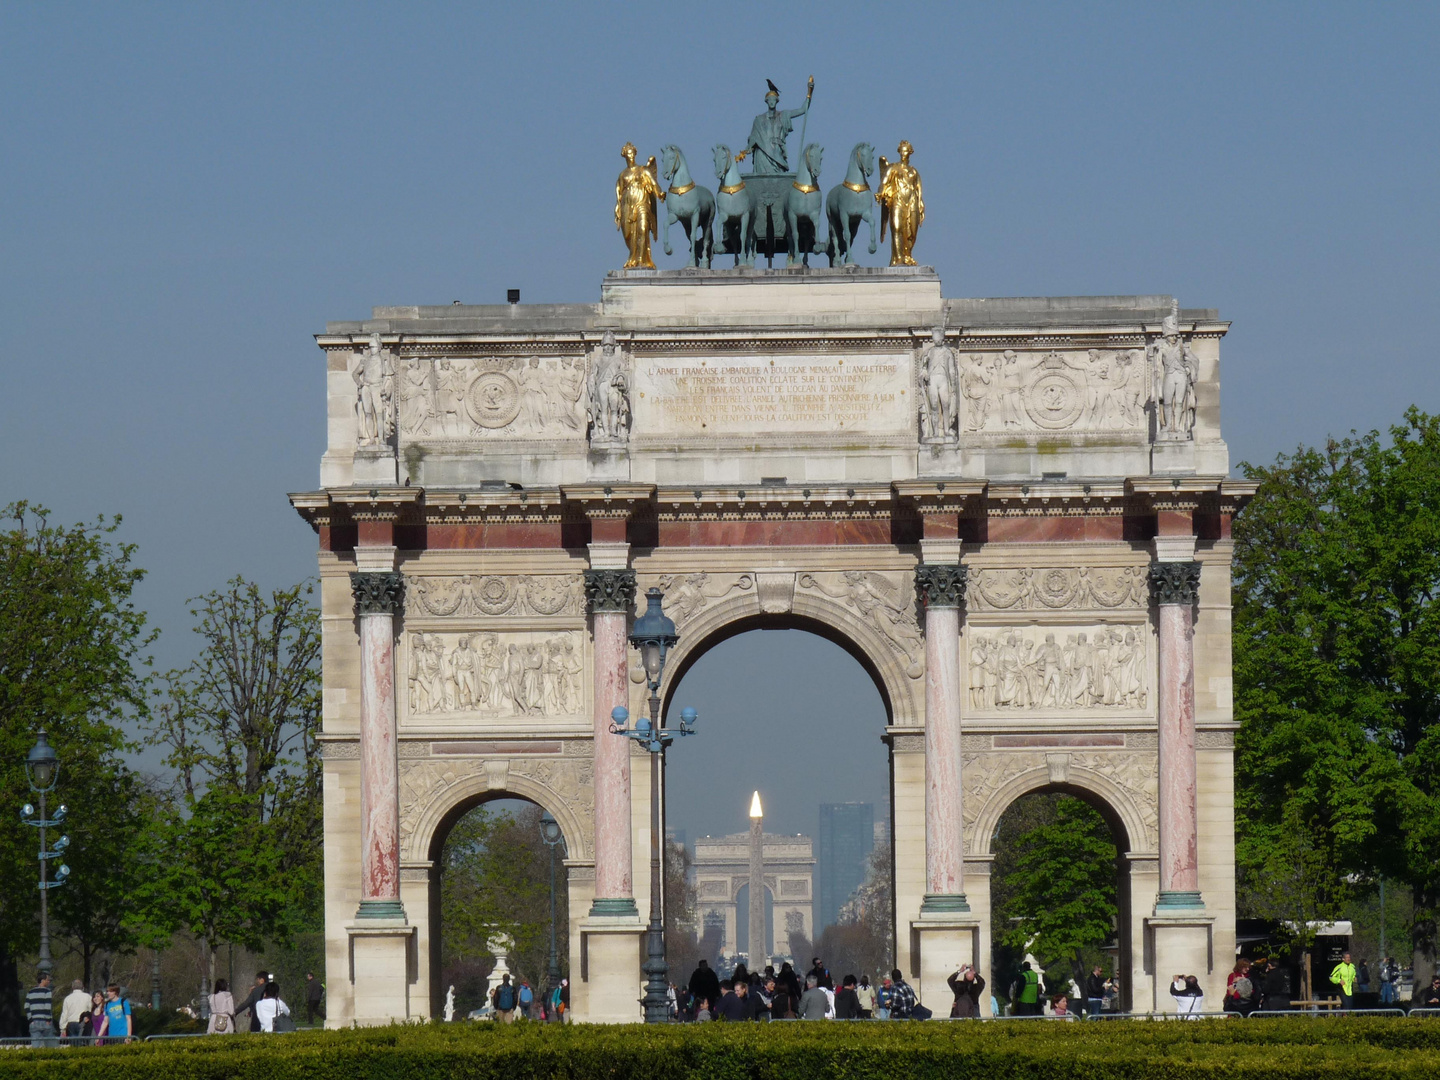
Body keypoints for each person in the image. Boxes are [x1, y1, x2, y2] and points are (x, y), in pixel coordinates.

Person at [26, 972, 54, 1048]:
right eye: (47, 980)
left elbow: (26, 1007)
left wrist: (30, 1020)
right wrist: (48, 1020)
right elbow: (47, 1007)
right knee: (50, 1046)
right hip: (44, 1021)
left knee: (35, 1046)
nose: (49, 982)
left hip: (34, 1021)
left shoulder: (30, 992)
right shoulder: (47, 991)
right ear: (42, 980)